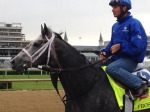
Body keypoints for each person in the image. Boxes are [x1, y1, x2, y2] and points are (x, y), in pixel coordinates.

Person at [100, 0, 148, 98]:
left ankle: (140, 85)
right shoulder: (115, 26)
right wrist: (105, 52)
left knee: (112, 68)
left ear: (124, 8)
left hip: (131, 60)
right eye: (112, 7)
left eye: (115, 7)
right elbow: (112, 43)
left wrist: (121, 46)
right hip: (116, 59)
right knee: (94, 68)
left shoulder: (134, 23)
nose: (112, 10)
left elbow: (137, 47)